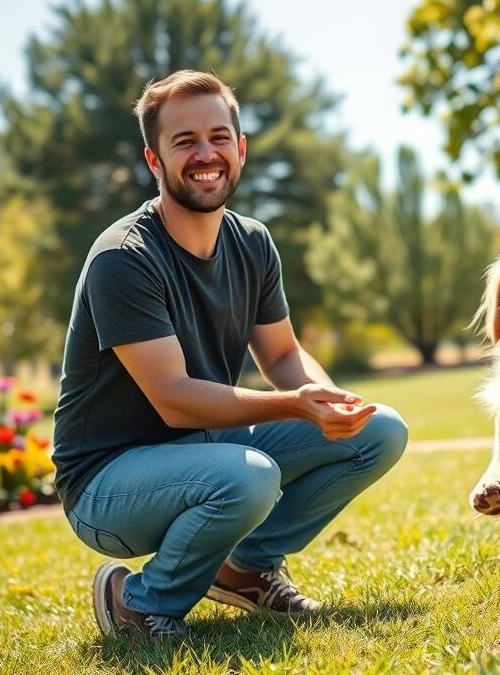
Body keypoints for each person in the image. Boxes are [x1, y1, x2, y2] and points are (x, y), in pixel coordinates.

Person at [52, 70, 408, 640]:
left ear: (240, 150)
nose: (205, 153)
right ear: (154, 160)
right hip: (107, 483)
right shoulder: (123, 258)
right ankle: (138, 602)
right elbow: (174, 401)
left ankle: (245, 568)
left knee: (380, 430)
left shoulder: (253, 242)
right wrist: (295, 406)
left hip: (207, 451)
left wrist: (329, 399)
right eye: (184, 141)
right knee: (250, 478)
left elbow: (285, 353)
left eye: (219, 137)